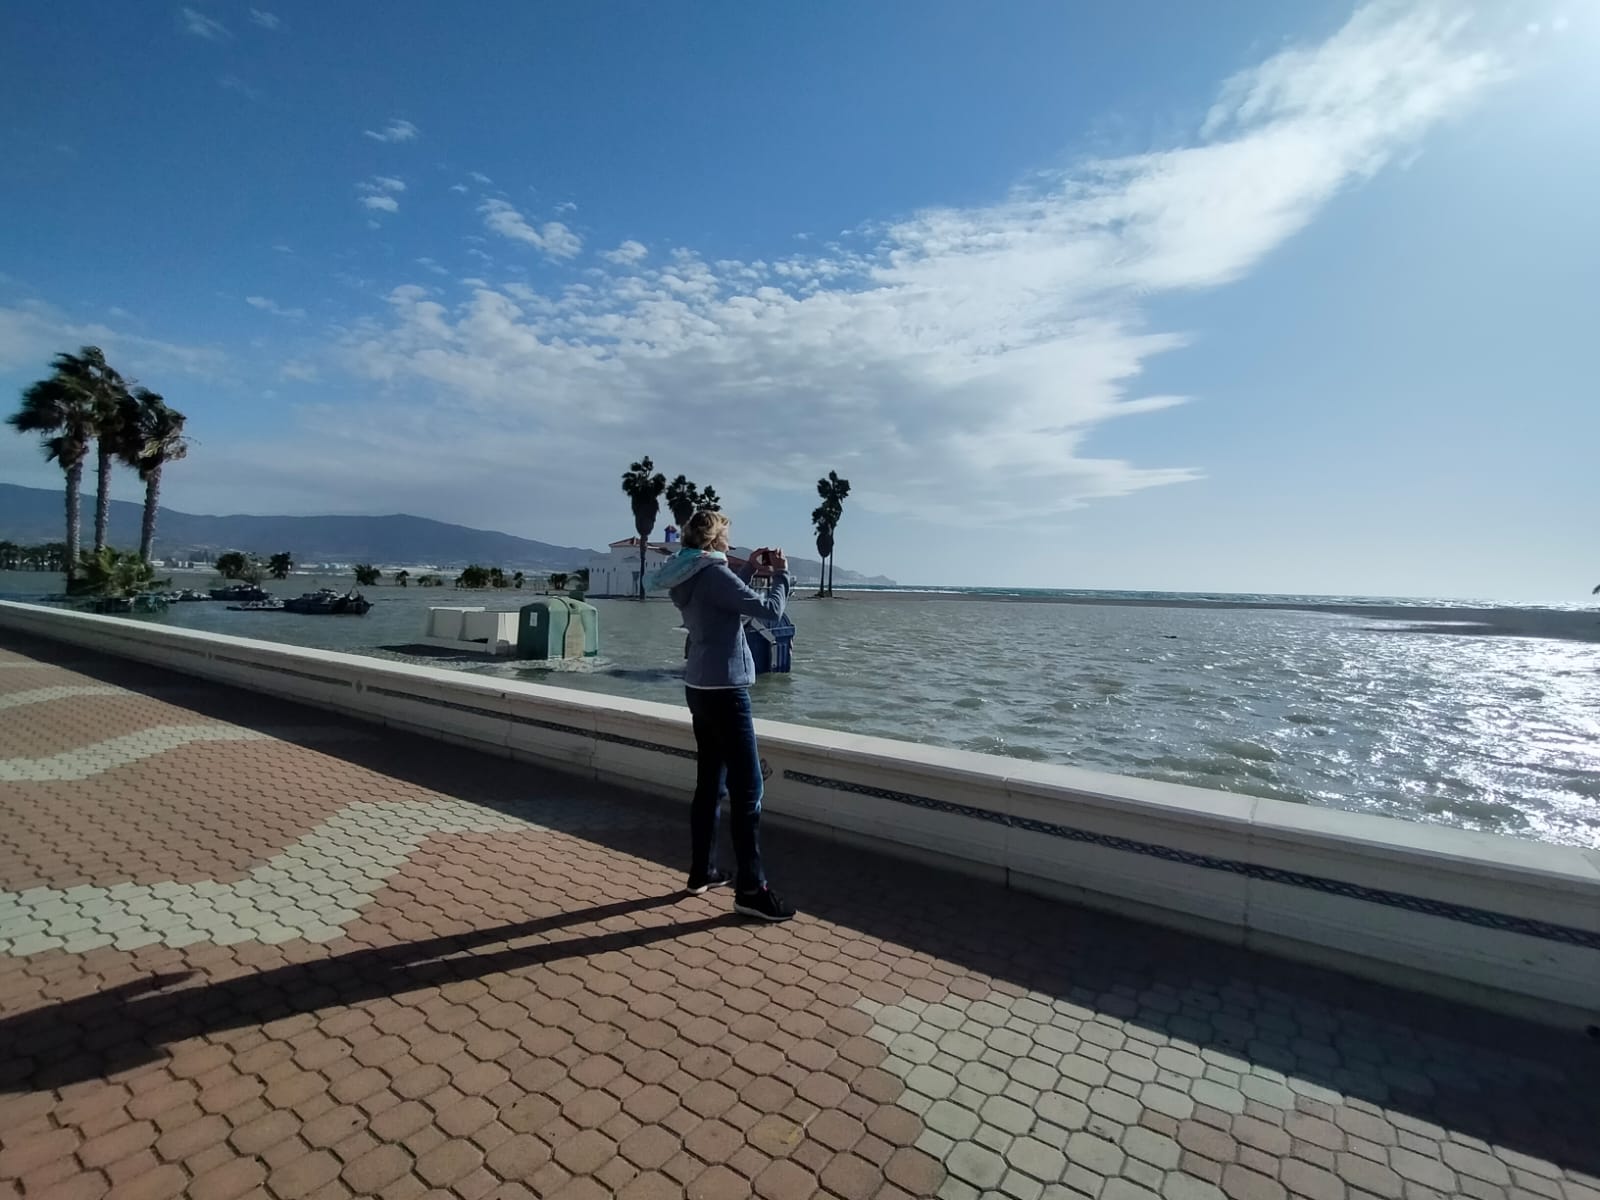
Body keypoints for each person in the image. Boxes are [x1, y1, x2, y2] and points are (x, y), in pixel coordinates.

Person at [646, 508, 796, 922]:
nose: (731, 540)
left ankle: (702, 871)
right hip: (727, 690)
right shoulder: (714, 574)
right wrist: (781, 575)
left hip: (699, 686)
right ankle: (752, 888)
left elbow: (725, 602)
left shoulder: (688, 572)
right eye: (728, 535)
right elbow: (768, 611)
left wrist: (747, 568)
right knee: (749, 791)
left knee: (710, 783)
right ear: (715, 541)